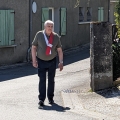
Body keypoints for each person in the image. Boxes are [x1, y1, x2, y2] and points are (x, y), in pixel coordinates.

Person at [31, 20, 63, 109]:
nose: (50, 28)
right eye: (48, 26)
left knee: (51, 80)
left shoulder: (56, 37)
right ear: (45, 27)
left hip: (52, 61)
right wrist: (34, 60)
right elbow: (34, 47)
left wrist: (61, 62)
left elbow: (59, 50)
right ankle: (41, 99)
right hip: (41, 61)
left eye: (51, 26)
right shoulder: (39, 35)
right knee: (42, 80)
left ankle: (51, 98)